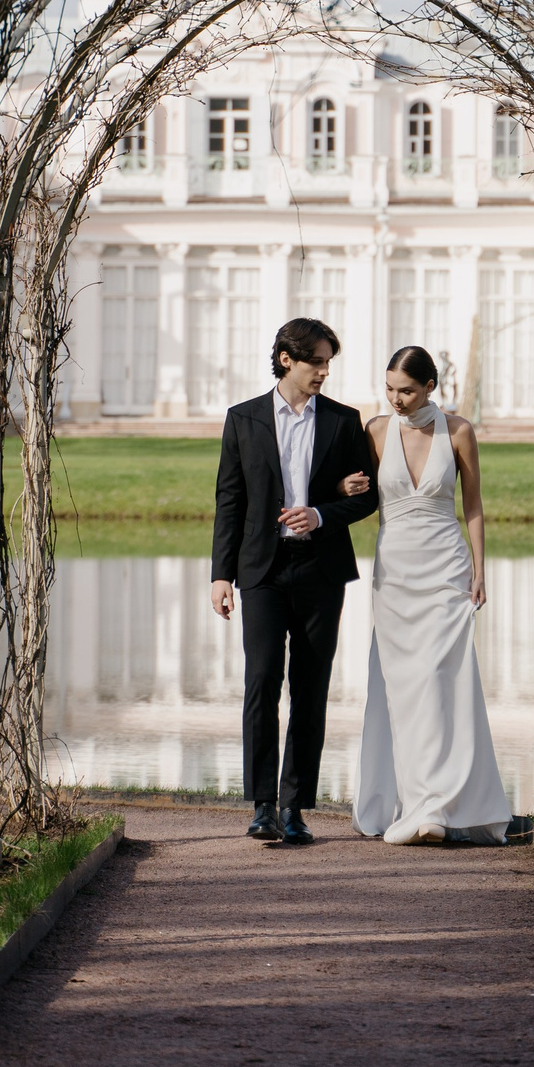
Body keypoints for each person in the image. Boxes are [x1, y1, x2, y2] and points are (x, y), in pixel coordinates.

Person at [210, 316, 378, 846]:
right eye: (317, 362)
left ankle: (295, 808)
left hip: (320, 571)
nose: (324, 372)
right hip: (260, 570)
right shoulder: (243, 419)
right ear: (287, 358)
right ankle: (261, 806)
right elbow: (229, 500)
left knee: (311, 689)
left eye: (328, 363)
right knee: (261, 682)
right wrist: (221, 575)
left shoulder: (343, 421)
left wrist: (323, 513)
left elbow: (366, 495)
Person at [352, 344, 515, 845]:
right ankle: (411, 800)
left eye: (405, 390)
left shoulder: (459, 431)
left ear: (429, 387)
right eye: (389, 390)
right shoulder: (377, 432)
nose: (395, 399)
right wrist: (343, 487)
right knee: (402, 685)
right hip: (396, 573)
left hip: (447, 568)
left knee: (443, 680)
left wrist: (480, 570)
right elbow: (357, 495)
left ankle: (440, 805)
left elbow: (473, 506)